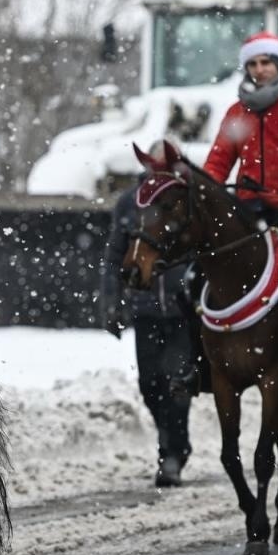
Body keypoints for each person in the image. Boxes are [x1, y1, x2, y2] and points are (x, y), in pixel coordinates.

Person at [102, 179, 196, 487]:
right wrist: (112, 303)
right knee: (149, 385)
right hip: (145, 310)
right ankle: (173, 441)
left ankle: (172, 454)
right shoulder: (130, 202)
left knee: (177, 385)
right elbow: (115, 255)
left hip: (182, 311)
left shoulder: (187, 198)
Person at [202, 30, 278, 227]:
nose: (259, 69)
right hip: (248, 206)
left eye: (265, 62)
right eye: (252, 64)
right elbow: (219, 160)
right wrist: (204, 189)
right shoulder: (237, 112)